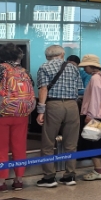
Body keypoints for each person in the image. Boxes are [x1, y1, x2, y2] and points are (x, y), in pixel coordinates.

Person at [0, 43, 33, 191]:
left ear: (1, 55)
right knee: (19, 147)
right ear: (18, 56)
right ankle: (18, 180)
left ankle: (1, 182)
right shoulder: (24, 71)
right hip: (21, 114)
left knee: (0, 149)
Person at [35, 44, 84, 187]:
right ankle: (70, 176)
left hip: (54, 105)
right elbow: (79, 88)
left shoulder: (44, 67)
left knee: (48, 143)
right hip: (72, 105)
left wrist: (41, 111)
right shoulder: (73, 67)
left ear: (47, 56)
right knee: (71, 143)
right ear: (62, 54)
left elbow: (43, 89)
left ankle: (49, 177)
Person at [77, 54, 101, 181]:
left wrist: (90, 115)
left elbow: (95, 98)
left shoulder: (95, 79)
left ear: (90, 66)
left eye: (85, 66)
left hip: (95, 117)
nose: (84, 69)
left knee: (93, 144)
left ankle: (98, 170)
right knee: (99, 143)